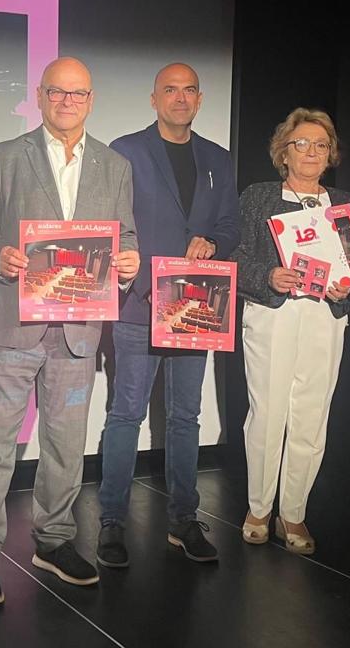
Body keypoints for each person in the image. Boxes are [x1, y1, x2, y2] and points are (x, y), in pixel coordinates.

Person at [0, 56, 140, 606]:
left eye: (77, 94)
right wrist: (0, 255)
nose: (67, 101)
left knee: (65, 445)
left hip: (78, 333)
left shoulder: (114, 166)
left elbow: (125, 234)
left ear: (91, 100)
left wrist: (128, 262)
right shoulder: (7, 156)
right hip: (11, 324)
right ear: (40, 96)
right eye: (57, 92)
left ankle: (54, 541)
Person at [96, 63, 240, 568]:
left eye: (189, 91)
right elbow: (108, 220)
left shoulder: (219, 160)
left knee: (185, 417)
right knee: (126, 414)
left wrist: (215, 241)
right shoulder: (126, 151)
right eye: (170, 90)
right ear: (153, 98)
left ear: (200, 100)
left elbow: (229, 226)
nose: (180, 98)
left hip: (194, 308)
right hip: (138, 305)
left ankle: (183, 520)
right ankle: (111, 521)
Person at [229, 108, 350, 556]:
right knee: (267, 412)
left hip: (326, 317)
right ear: (283, 152)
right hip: (275, 314)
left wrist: (347, 289)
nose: (310, 152)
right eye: (301, 143)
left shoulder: (346, 204)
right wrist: (268, 275)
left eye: (320, 145)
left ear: (331, 156)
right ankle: (258, 508)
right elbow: (236, 258)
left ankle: (295, 511)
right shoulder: (259, 196)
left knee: (312, 415)